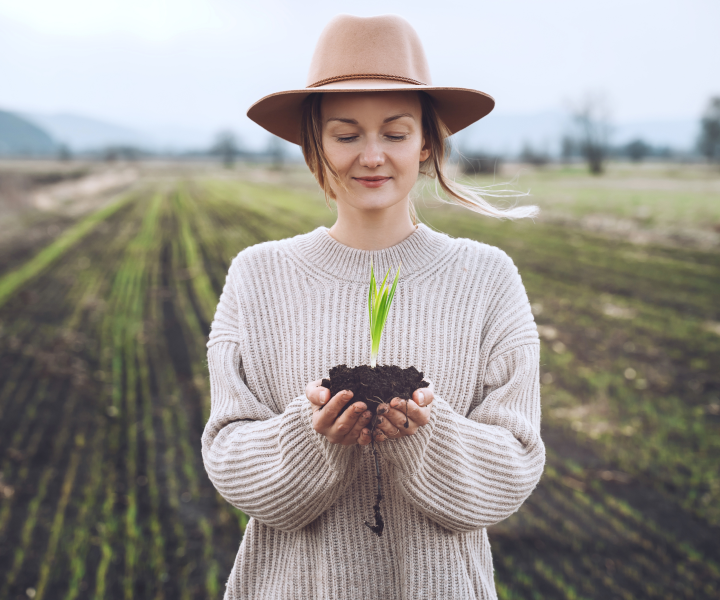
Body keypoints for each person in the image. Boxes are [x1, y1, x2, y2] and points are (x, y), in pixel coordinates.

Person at [201, 13, 545, 600]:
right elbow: (229, 454)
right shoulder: (259, 276)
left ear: (427, 141)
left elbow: (513, 468)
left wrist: (424, 436)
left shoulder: (486, 279)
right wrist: (313, 437)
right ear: (315, 141)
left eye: (395, 132)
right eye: (345, 134)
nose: (372, 156)